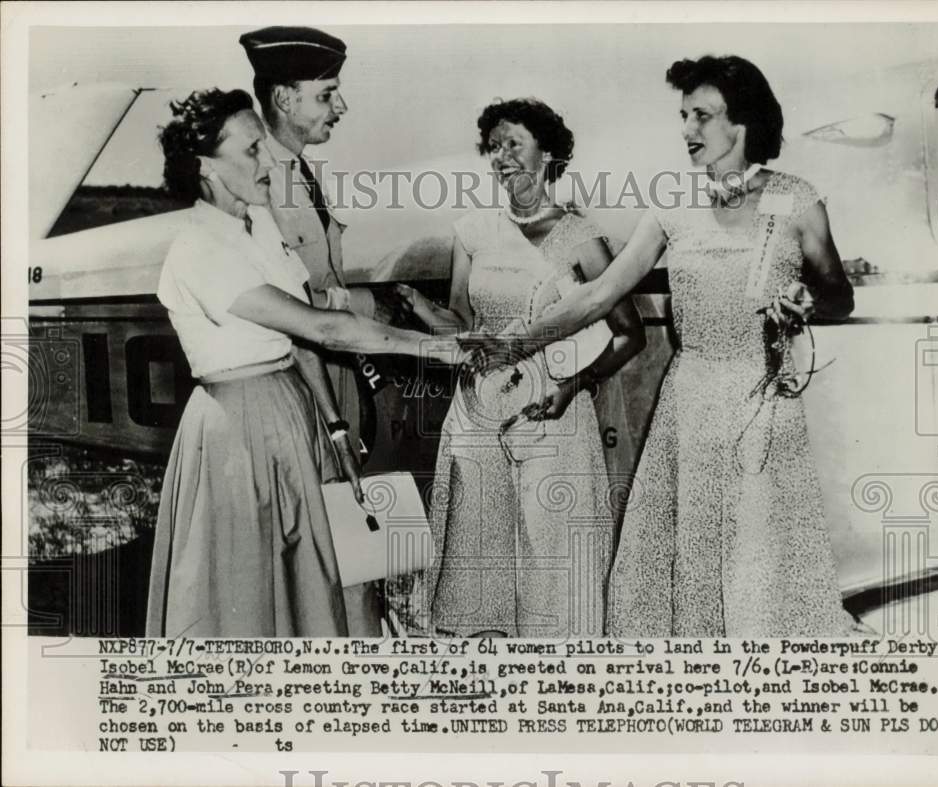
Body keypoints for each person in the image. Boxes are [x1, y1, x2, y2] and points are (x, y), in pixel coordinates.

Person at [474, 57, 859, 637]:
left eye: (701, 116)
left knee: (759, 557)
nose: (687, 130)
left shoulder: (795, 200)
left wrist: (807, 298)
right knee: (692, 555)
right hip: (691, 401)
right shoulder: (673, 204)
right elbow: (601, 294)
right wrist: (511, 345)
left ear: (744, 122)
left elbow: (839, 299)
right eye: (683, 116)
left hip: (765, 404)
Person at [145, 89, 459, 637]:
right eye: (251, 152)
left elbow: (298, 335)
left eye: (265, 148)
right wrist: (434, 346)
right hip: (237, 430)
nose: (268, 163)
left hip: (293, 411)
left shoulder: (258, 224)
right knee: (246, 595)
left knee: (323, 578)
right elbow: (323, 327)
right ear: (206, 169)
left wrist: (334, 424)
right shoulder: (197, 249)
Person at [401, 98, 645, 637]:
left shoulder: (582, 238)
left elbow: (632, 334)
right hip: (478, 414)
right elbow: (461, 324)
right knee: (476, 556)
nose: (501, 156)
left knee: (552, 556)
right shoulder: (471, 232)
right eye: (494, 146)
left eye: (514, 143)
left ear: (548, 153)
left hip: (553, 412)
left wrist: (573, 386)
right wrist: (419, 309)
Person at [238, 26, 398, 634]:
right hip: (306, 388)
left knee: (349, 538)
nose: (342, 106)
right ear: (284, 99)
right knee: (327, 541)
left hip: (336, 378)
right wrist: (361, 305)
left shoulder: (299, 171)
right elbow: (294, 310)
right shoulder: (262, 187)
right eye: (327, 94)